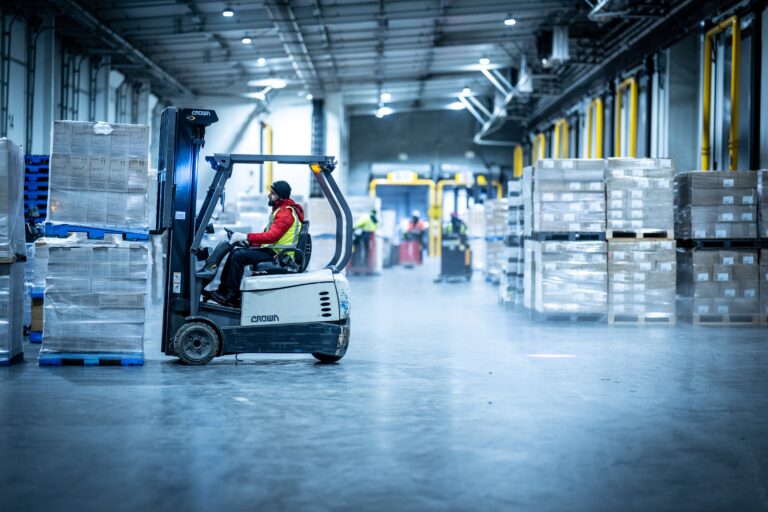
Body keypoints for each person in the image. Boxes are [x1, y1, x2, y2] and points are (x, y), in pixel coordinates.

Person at [208, 180, 304, 307]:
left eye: (273, 194)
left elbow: (272, 237)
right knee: (236, 252)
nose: (269, 195)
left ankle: (231, 296)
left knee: (238, 256)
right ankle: (224, 291)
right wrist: (248, 242)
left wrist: (246, 236)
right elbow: (271, 238)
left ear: (280, 197)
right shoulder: (280, 210)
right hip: (274, 251)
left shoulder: (285, 213)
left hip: (279, 255)